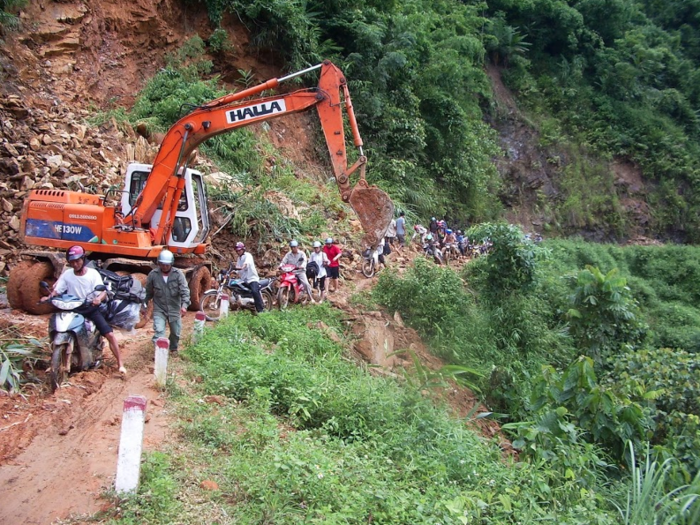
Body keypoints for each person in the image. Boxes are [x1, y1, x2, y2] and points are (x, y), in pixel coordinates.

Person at [41, 246, 126, 375]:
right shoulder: (67, 275)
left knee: (110, 335)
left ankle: (120, 364)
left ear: (83, 259)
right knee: (55, 326)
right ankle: (55, 359)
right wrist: (49, 296)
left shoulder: (92, 274)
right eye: (72, 262)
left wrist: (98, 299)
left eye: (78, 261)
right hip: (71, 307)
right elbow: (57, 290)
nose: (75, 264)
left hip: (89, 308)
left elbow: (102, 292)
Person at [144, 249, 190, 353]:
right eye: (162, 264)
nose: (164, 267)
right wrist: (144, 304)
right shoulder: (153, 275)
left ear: (171, 264)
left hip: (174, 308)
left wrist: (184, 306)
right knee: (159, 331)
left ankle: (173, 348)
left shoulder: (178, 275)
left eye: (167, 265)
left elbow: (185, 291)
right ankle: (160, 353)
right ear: (159, 263)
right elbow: (148, 292)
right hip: (159, 308)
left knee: (175, 332)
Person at [234, 241, 265, 313]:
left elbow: (246, 263)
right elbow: (237, 269)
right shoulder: (239, 258)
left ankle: (260, 310)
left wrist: (242, 266)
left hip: (252, 279)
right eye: (237, 250)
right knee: (237, 289)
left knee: (254, 291)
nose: (238, 252)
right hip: (244, 280)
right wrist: (233, 271)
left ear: (243, 249)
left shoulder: (248, 255)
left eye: (239, 250)